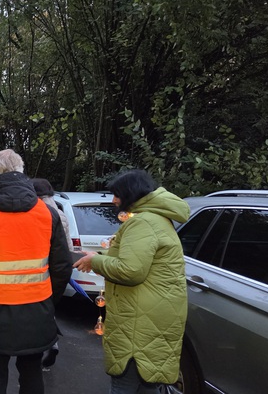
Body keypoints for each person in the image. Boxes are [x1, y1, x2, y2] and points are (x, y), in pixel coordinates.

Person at [0, 149, 73, 394]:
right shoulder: (47, 214)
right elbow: (62, 266)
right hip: (36, 312)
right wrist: (48, 302)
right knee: (32, 377)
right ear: (22, 173)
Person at [73, 169, 189, 394]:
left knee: (125, 381)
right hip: (154, 313)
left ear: (132, 193)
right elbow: (140, 262)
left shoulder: (142, 223)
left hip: (139, 319)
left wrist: (96, 261)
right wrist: (98, 258)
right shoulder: (157, 218)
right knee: (146, 383)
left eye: (117, 194)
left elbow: (131, 271)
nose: (114, 200)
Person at [30, 177, 72, 367]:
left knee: (37, 310)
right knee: (49, 307)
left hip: (39, 267)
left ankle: (43, 343)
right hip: (57, 269)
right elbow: (67, 246)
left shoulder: (37, 213)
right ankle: (51, 342)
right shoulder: (61, 213)